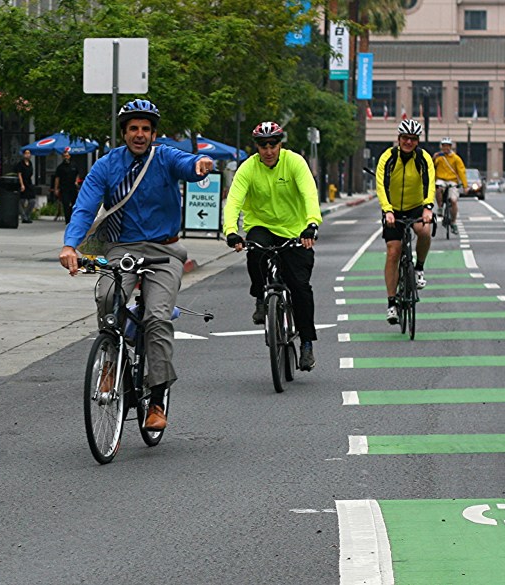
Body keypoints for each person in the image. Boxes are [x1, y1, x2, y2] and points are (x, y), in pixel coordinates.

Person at [59, 99, 214, 431]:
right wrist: (70, 245)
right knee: (106, 297)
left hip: (165, 251)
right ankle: (110, 364)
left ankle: (157, 399)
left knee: (157, 317)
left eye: (145, 129)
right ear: (124, 133)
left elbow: (187, 163)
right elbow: (85, 207)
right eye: (133, 129)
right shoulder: (106, 165)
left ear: (153, 133)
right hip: (122, 249)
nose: (139, 134)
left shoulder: (165, 157)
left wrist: (200, 163)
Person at [223, 121, 322, 372]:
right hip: (262, 226)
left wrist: (311, 224)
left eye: (273, 144)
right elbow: (234, 200)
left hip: (295, 230)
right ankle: (260, 296)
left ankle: (307, 344)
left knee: (300, 287)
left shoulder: (295, 162)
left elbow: (310, 194)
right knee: (254, 253)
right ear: (256, 146)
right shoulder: (248, 168)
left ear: (281, 144)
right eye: (263, 145)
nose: (268, 150)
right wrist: (231, 231)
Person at [375, 119, 435, 324]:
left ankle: (419, 267)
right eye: (405, 138)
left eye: (413, 139)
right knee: (393, 252)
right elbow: (381, 185)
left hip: (417, 205)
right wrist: (387, 210)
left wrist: (428, 207)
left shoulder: (423, 158)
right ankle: (392, 303)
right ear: (399, 139)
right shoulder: (388, 157)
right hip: (393, 210)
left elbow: (429, 183)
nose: (409, 142)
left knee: (425, 231)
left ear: (418, 141)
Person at [433, 137, 468, 235]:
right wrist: (433, 158)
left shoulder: (456, 158)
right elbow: (431, 168)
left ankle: (453, 222)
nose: (445, 148)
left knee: (453, 200)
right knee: (439, 187)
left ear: (450, 147)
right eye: (443, 146)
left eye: (447, 146)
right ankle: (440, 207)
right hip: (441, 179)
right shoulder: (439, 157)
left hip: (452, 181)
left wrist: (465, 185)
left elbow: (461, 172)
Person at [54, 149, 80, 224]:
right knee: (66, 204)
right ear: (62, 157)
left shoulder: (74, 165)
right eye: (64, 156)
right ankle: (68, 220)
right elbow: (57, 178)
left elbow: (77, 174)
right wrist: (56, 189)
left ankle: (74, 219)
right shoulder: (60, 167)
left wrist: (76, 181)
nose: (66, 157)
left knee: (74, 204)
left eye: (67, 156)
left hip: (73, 187)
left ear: (70, 156)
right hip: (64, 188)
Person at [15, 149, 36, 223]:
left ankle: (26, 215)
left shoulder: (30, 163)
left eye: (29, 153)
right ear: (23, 155)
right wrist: (22, 184)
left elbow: (31, 174)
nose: (28, 155)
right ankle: (24, 217)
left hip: (29, 183)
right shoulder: (20, 164)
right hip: (22, 183)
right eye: (26, 153)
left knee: (32, 200)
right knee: (21, 201)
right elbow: (19, 174)